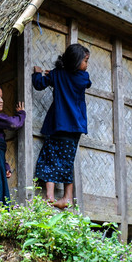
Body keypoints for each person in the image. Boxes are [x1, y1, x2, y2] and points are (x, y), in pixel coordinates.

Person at [32, 43, 91, 209]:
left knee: (49, 157)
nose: (86, 65)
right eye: (85, 61)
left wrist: (37, 74)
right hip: (75, 127)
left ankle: (50, 196)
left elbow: (39, 84)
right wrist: (59, 76)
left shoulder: (57, 75)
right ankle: (67, 197)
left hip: (58, 125)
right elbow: (83, 83)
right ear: (75, 61)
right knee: (67, 160)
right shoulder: (83, 77)